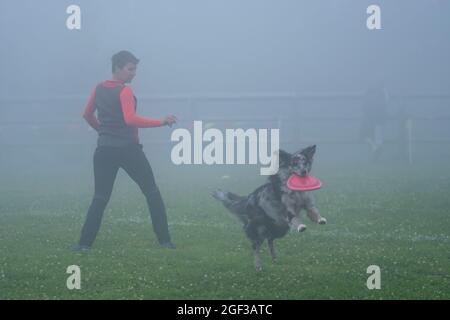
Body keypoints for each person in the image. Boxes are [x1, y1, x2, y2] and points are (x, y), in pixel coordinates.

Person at [73, 50, 177, 251]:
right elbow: (130, 119)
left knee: (100, 197)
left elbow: (86, 114)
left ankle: (84, 245)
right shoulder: (125, 90)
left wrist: (103, 132)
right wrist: (161, 122)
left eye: (135, 69)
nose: (134, 73)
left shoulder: (98, 88)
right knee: (152, 192)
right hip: (128, 150)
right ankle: (165, 242)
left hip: (104, 150)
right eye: (130, 69)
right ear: (117, 68)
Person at [359, 82, 389, 160]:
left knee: (365, 135)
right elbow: (386, 101)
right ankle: (376, 148)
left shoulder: (371, 95)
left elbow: (364, 107)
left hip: (372, 119)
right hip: (376, 119)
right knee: (376, 136)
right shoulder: (380, 95)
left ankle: (375, 149)